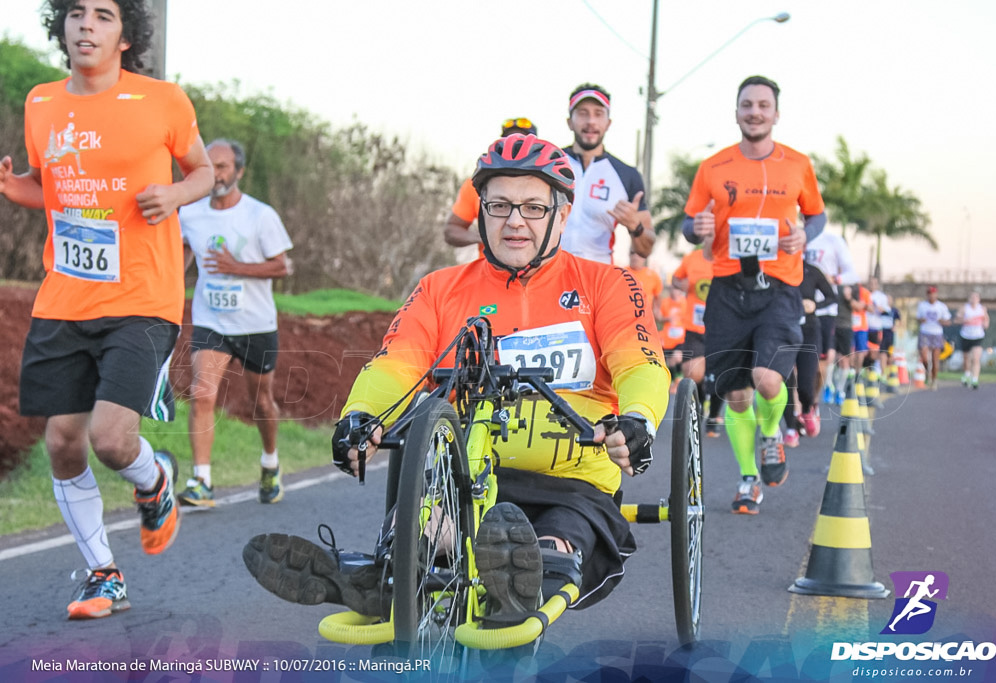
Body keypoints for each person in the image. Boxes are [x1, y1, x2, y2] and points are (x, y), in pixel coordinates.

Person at [243, 134, 669, 621]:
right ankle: (385, 577)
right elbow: (396, 363)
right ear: (481, 212)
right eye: (500, 205)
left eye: (532, 207)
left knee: (550, 553)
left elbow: (640, 363)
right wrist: (360, 417)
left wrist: (637, 419)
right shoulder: (439, 289)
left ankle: (517, 580)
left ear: (562, 214)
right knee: (419, 535)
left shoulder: (608, 285)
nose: (514, 221)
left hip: (572, 483)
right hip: (464, 480)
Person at [0, 0, 213, 619]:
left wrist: (174, 192)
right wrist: (20, 191)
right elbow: (54, 186)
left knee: (110, 439)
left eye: (103, 15)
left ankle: (154, 481)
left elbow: (200, 172)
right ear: (61, 27)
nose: (86, 25)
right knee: (63, 441)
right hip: (64, 295)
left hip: (142, 298)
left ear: (125, 36)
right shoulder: (41, 102)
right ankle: (102, 573)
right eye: (76, 14)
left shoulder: (162, 101)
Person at [681, 75, 826, 515]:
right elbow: (689, 224)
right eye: (747, 105)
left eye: (763, 105)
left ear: (776, 114)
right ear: (737, 112)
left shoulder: (798, 164)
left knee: (767, 380)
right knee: (736, 393)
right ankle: (749, 481)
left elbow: (816, 216)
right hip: (728, 288)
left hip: (780, 285)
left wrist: (804, 234)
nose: (755, 112)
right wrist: (697, 229)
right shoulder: (714, 166)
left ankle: (773, 436)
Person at [177, 139, 294, 506]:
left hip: (256, 324)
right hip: (211, 321)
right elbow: (179, 260)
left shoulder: (260, 215)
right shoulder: (191, 214)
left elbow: (282, 266)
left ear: (239, 172)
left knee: (260, 401)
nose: (217, 174)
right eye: (210, 166)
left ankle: (270, 463)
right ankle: (202, 481)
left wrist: (235, 267)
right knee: (202, 393)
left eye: (224, 166)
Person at [561, 84, 654, 264]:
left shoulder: (627, 175)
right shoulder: (548, 163)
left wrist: (635, 225)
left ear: (608, 123)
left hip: (598, 277)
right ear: (570, 122)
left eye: (598, 113)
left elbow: (645, 250)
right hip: (547, 275)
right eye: (582, 113)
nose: (591, 121)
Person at [443, 117, 538, 251]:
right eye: (507, 141)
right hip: (489, 268)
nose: (514, 146)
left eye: (521, 142)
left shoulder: (547, 185)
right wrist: (482, 236)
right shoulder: (475, 184)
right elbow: (452, 229)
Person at [670, 243, 723, 437]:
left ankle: (714, 416)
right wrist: (683, 285)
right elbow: (676, 278)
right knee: (692, 373)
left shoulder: (726, 257)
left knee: (719, 375)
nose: (711, 237)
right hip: (694, 327)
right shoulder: (692, 258)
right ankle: (699, 407)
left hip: (720, 328)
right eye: (708, 234)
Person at [782, 261, 837, 446]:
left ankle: (807, 409)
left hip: (809, 331)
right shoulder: (776, 267)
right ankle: (791, 428)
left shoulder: (811, 271)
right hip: (782, 330)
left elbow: (831, 296)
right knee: (786, 381)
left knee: (806, 385)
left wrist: (815, 305)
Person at [804, 229, 857, 405]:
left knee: (821, 364)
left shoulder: (833, 240)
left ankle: (814, 401)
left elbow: (852, 273)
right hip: (799, 309)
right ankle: (799, 408)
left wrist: (834, 279)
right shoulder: (796, 234)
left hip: (825, 311)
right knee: (798, 365)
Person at [916, 285, 952, 389]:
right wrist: (921, 320)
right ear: (927, 295)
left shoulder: (941, 306)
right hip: (925, 332)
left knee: (935, 359)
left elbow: (949, 321)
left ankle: (934, 379)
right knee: (924, 356)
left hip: (937, 333)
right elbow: (917, 318)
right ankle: (928, 371)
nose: (932, 295)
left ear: (936, 294)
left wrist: (942, 321)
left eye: (933, 293)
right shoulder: (922, 305)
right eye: (930, 293)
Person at [955, 291, 989, 389]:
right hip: (965, 336)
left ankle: (975, 380)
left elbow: (986, 320)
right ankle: (967, 375)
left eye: (976, 297)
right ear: (969, 298)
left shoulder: (982, 309)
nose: (974, 299)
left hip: (978, 336)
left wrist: (985, 324)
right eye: (972, 297)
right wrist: (965, 320)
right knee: (966, 359)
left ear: (979, 299)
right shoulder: (964, 308)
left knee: (976, 358)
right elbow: (956, 320)